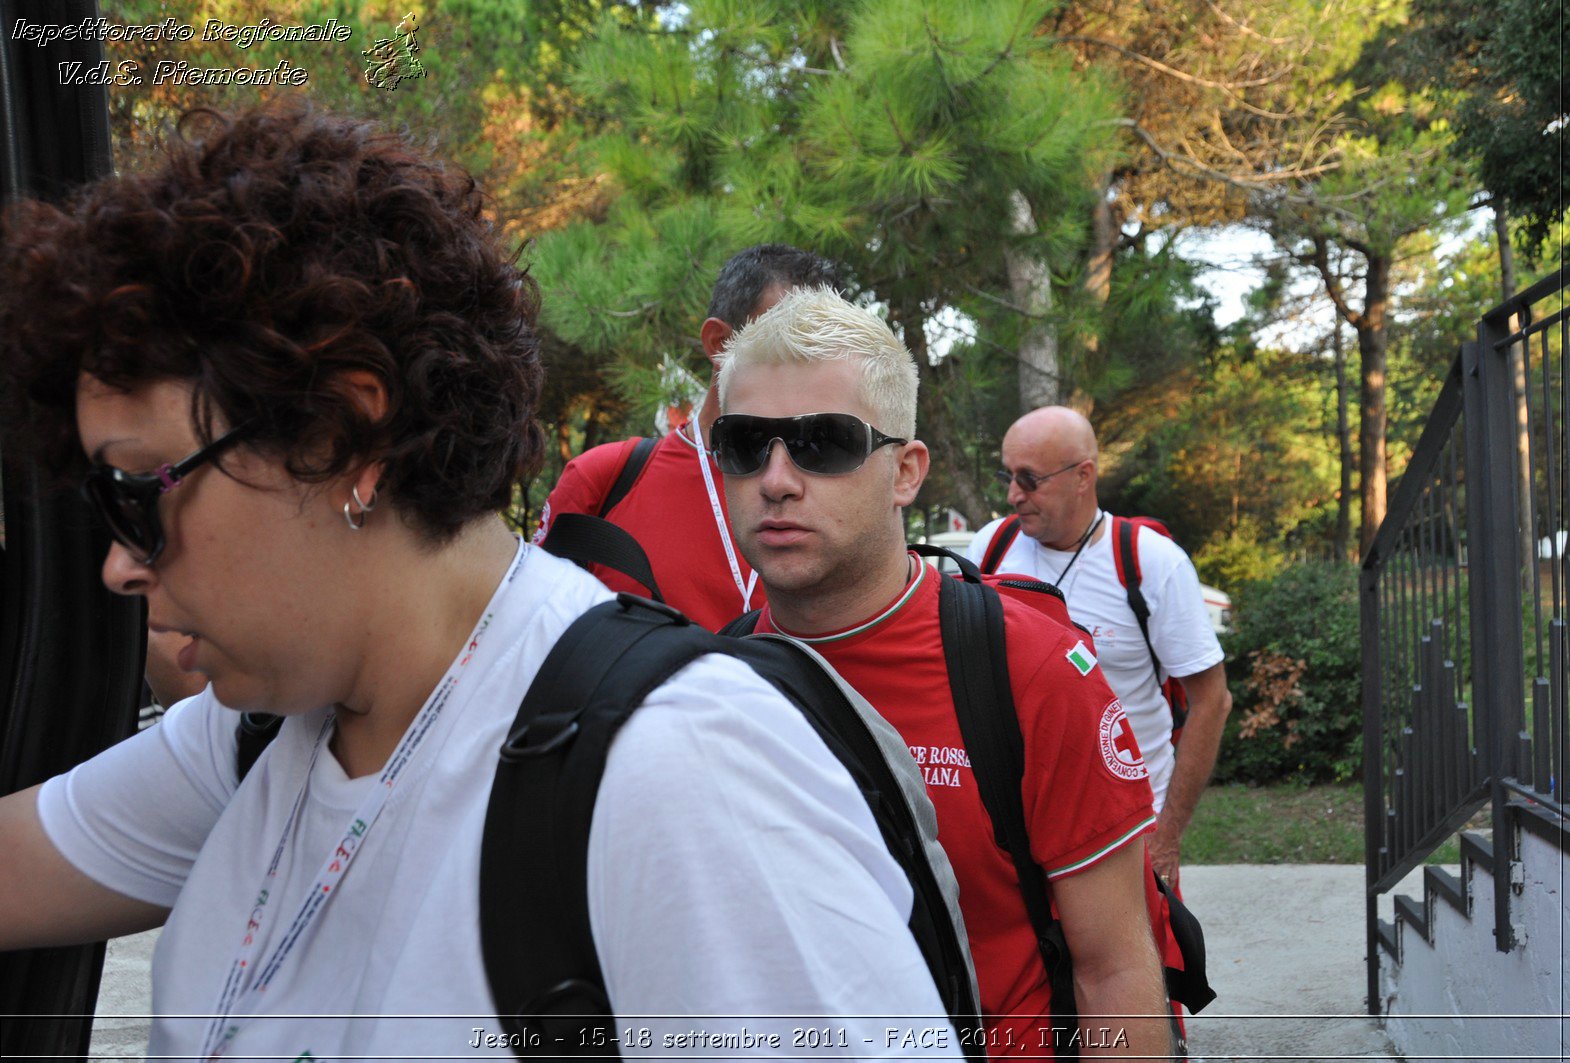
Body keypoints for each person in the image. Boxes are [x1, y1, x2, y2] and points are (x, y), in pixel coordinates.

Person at [0, 105, 960, 1059]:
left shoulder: (677, 771)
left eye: (139, 494)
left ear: (341, 437)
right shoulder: (255, 735)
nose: (119, 565)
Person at [714, 288, 1173, 1059]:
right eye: (745, 442)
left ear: (905, 471)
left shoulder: (1030, 668)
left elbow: (1116, 967)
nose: (778, 478)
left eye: (824, 441)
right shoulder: (708, 687)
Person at [968, 407, 1232, 886]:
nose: (1013, 495)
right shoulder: (989, 548)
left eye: (1028, 479)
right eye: (1006, 476)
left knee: (1139, 963)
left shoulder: (1150, 563)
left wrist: (1166, 836)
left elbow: (1212, 700)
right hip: (1018, 832)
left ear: (1083, 476)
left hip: (1127, 830)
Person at [539, 244, 841, 629]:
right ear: (719, 343)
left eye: (827, 346)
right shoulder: (603, 480)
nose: (816, 365)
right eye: (791, 339)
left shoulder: (842, 484)